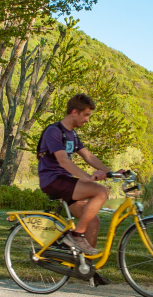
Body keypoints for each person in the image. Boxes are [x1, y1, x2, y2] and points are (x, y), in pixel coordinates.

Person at [37, 93, 112, 257]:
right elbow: (64, 161)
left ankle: (87, 269)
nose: (87, 119)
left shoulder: (73, 135)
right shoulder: (53, 131)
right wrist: (87, 177)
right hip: (53, 180)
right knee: (100, 192)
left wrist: (110, 172)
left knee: (93, 221)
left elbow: (89, 156)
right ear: (74, 112)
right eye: (86, 115)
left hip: (65, 181)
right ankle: (75, 236)